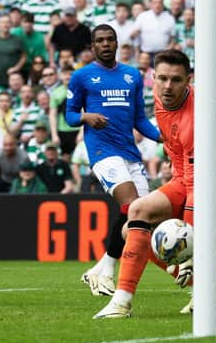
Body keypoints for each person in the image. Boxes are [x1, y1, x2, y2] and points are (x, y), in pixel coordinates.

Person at [93, 49, 216, 319]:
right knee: (135, 216)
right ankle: (122, 303)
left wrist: (191, 235)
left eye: (176, 80)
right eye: (163, 79)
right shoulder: (159, 96)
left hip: (211, 181)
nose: (168, 86)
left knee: (179, 242)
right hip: (183, 176)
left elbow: (197, 184)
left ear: (189, 80)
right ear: (153, 78)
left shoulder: (196, 119)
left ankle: (197, 282)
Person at [66, 24, 161, 297]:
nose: (106, 44)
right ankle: (107, 272)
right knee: (131, 204)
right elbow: (70, 116)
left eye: (110, 39)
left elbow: (139, 119)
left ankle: (97, 270)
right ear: (93, 47)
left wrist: (160, 137)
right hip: (101, 151)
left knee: (144, 218)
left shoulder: (132, 75)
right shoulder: (82, 76)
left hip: (130, 153)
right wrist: (86, 117)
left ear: (117, 43)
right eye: (100, 41)